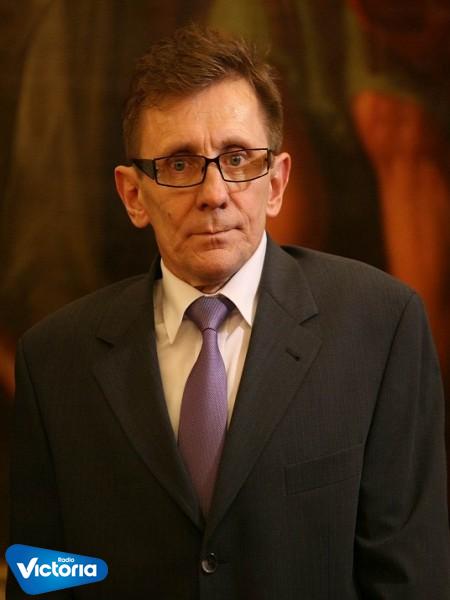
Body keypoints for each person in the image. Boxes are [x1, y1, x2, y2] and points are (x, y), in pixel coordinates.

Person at [8, 24, 450, 599]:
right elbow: (44, 575)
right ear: (133, 195)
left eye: (238, 158)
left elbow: (409, 580)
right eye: (180, 164)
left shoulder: (381, 327)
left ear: (277, 183)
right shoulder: (54, 361)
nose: (214, 193)